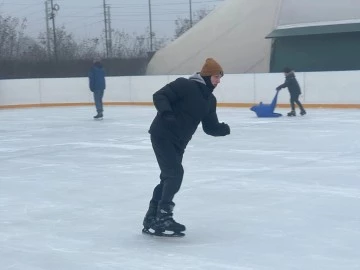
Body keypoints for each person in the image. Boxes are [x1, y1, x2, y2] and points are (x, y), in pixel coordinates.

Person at [143, 58, 231, 235]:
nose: (218, 81)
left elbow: (209, 127)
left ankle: (152, 217)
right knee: (175, 174)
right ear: (206, 75)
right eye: (216, 76)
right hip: (162, 134)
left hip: (179, 142)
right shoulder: (185, 85)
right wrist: (166, 113)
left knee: (168, 177)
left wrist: (221, 129)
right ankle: (164, 216)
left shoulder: (209, 100)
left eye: (220, 77)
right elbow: (160, 96)